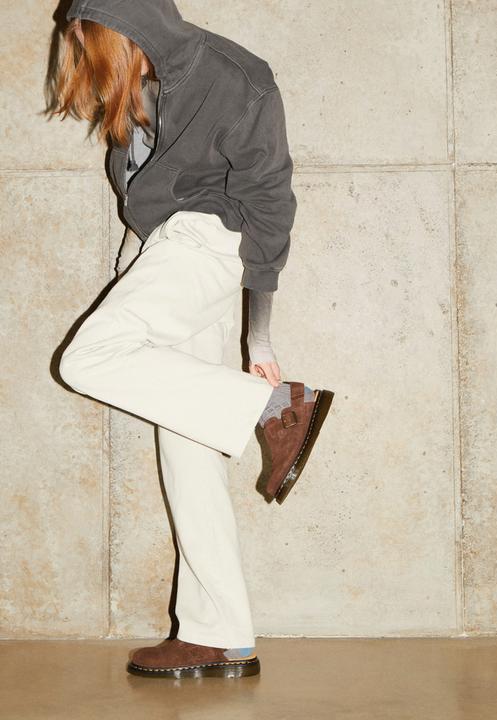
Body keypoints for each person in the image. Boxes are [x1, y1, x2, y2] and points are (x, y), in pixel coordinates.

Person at [48, 0, 334, 679]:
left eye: (93, 49)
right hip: (161, 248)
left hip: (203, 239)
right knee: (188, 449)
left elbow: (270, 204)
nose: (90, 67)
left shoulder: (235, 76)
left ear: (126, 26)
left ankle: (274, 409)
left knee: (88, 359)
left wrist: (260, 337)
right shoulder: (142, 80)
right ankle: (219, 634)